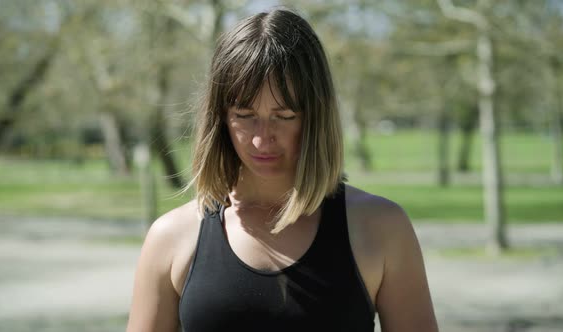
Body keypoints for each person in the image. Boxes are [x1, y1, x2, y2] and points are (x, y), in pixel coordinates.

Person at [126, 7, 438, 332]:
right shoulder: (171, 237)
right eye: (245, 115)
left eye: (285, 116)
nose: (263, 139)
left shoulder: (381, 228)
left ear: (316, 117)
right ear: (220, 118)